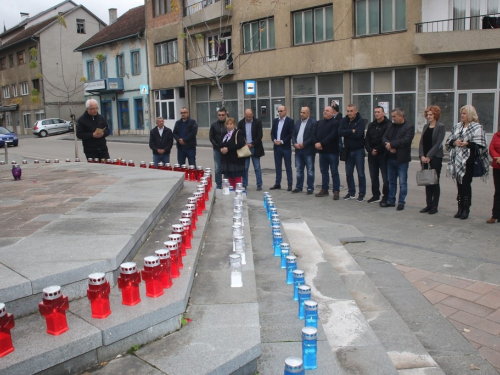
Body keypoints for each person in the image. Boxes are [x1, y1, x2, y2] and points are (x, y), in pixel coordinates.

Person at [446, 105, 489, 220]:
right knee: (459, 185)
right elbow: (449, 141)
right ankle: (459, 208)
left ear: (470, 115)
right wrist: (455, 142)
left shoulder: (477, 127)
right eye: (461, 113)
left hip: (469, 160)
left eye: (464, 113)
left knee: (465, 185)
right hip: (457, 160)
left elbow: (481, 145)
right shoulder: (457, 126)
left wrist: (467, 144)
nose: (462, 115)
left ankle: (466, 209)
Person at [380, 108, 415, 211]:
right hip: (390, 158)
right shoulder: (391, 125)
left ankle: (401, 202)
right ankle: (391, 200)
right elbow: (384, 137)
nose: (393, 118)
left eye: (395, 116)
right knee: (391, 181)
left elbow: (406, 140)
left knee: (402, 182)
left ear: (401, 116)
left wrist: (392, 144)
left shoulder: (409, 127)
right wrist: (388, 146)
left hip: (402, 159)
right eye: (392, 116)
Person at [418, 106, 445, 214]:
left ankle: (434, 206)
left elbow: (439, 143)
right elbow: (421, 142)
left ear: (436, 115)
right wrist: (421, 155)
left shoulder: (440, 127)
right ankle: (428, 205)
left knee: (434, 182)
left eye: (431, 115)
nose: (428, 117)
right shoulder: (425, 126)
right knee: (427, 181)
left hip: (435, 158)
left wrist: (429, 156)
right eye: (427, 114)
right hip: (424, 158)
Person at [339, 104, 366, 202]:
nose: (349, 113)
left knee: (361, 173)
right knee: (349, 173)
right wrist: (351, 131)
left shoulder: (360, 121)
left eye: (351, 111)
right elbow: (340, 132)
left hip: (358, 150)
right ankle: (351, 192)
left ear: (356, 111)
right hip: (348, 150)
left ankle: (362, 194)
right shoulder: (344, 120)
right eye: (348, 111)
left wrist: (348, 132)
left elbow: (359, 134)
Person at [365, 106, 391, 204]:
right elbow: (367, 139)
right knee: (373, 177)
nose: (377, 114)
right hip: (372, 155)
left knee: (385, 178)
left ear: (383, 113)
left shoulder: (388, 125)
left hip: (383, 154)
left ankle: (386, 196)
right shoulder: (371, 125)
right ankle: (375, 195)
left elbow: (386, 139)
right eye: (375, 112)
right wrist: (370, 150)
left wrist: (378, 149)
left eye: (379, 112)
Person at [314, 106, 341, 199]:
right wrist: (316, 143)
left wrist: (321, 143)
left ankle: (336, 190)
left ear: (333, 113)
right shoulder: (320, 123)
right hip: (322, 152)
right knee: (324, 171)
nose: (325, 112)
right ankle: (324, 189)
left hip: (332, 152)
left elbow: (332, 136)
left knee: (334, 171)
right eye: (324, 110)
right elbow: (314, 134)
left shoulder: (335, 123)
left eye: (327, 111)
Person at [238, 109, 264, 190]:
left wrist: (252, 144)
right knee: (245, 167)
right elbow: (239, 135)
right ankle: (245, 184)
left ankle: (259, 184)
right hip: (245, 148)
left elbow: (260, 136)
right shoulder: (241, 123)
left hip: (255, 147)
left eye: (250, 116)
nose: (248, 118)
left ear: (252, 114)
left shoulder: (257, 122)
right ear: (245, 115)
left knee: (257, 167)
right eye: (247, 117)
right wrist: (245, 144)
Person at [292, 107, 316, 194]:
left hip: (308, 150)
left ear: (308, 114)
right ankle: (298, 187)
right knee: (299, 170)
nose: (301, 114)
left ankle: (310, 188)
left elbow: (313, 136)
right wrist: (294, 143)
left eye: (304, 113)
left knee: (310, 170)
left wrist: (304, 144)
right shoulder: (298, 122)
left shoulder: (313, 122)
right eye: (301, 112)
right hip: (298, 150)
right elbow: (293, 134)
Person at [270, 105, 295, 191]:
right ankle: (277, 183)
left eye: (281, 111)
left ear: (285, 111)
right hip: (277, 147)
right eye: (278, 111)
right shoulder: (276, 121)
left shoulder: (290, 121)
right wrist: (274, 140)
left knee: (288, 166)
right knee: (278, 166)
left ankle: (290, 184)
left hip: (285, 147)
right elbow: (272, 132)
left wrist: (282, 141)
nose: (279, 113)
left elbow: (290, 134)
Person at [220, 117, 246, 189]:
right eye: (227, 124)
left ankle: (238, 192)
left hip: (236, 160)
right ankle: (232, 192)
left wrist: (228, 149)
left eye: (230, 124)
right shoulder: (225, 134)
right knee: (230, 178)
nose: (229, 126)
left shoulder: (238, 132)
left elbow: (240, 144)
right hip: (227, 160)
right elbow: (221, 144)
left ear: (234, 124)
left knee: (237, 178)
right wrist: (221, 149)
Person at [209, 108, 228, 188]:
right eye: (219, 115)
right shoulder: (214, 125)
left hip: (227, 150)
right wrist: (217, 146)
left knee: (227, 167)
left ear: (226, 115)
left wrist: (227, 147)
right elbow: (211, 137)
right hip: (217, 149)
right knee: (218, 168)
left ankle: (226, 184)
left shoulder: (228, 124)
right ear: (217, 115)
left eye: (223, 115)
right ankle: (218, 184)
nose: (221, 116)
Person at [487, 128, 500, 223]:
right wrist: (498, 158)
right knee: (498, 192)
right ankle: (495, 215)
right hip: (497, 166)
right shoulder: (497, 135)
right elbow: (491, 148)